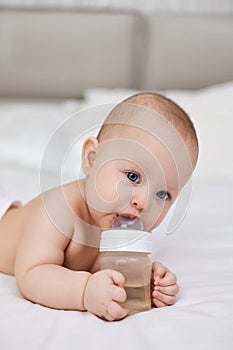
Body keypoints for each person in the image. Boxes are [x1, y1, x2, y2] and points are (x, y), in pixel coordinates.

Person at [0, 93, 198, 321]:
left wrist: (147, 282)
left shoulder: (123, 226)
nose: (143, 202)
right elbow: (31, 274)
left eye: (162, 194)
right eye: (133, 176)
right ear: (92, 159)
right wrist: (84, 290)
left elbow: (112, 271)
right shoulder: (59, 209)